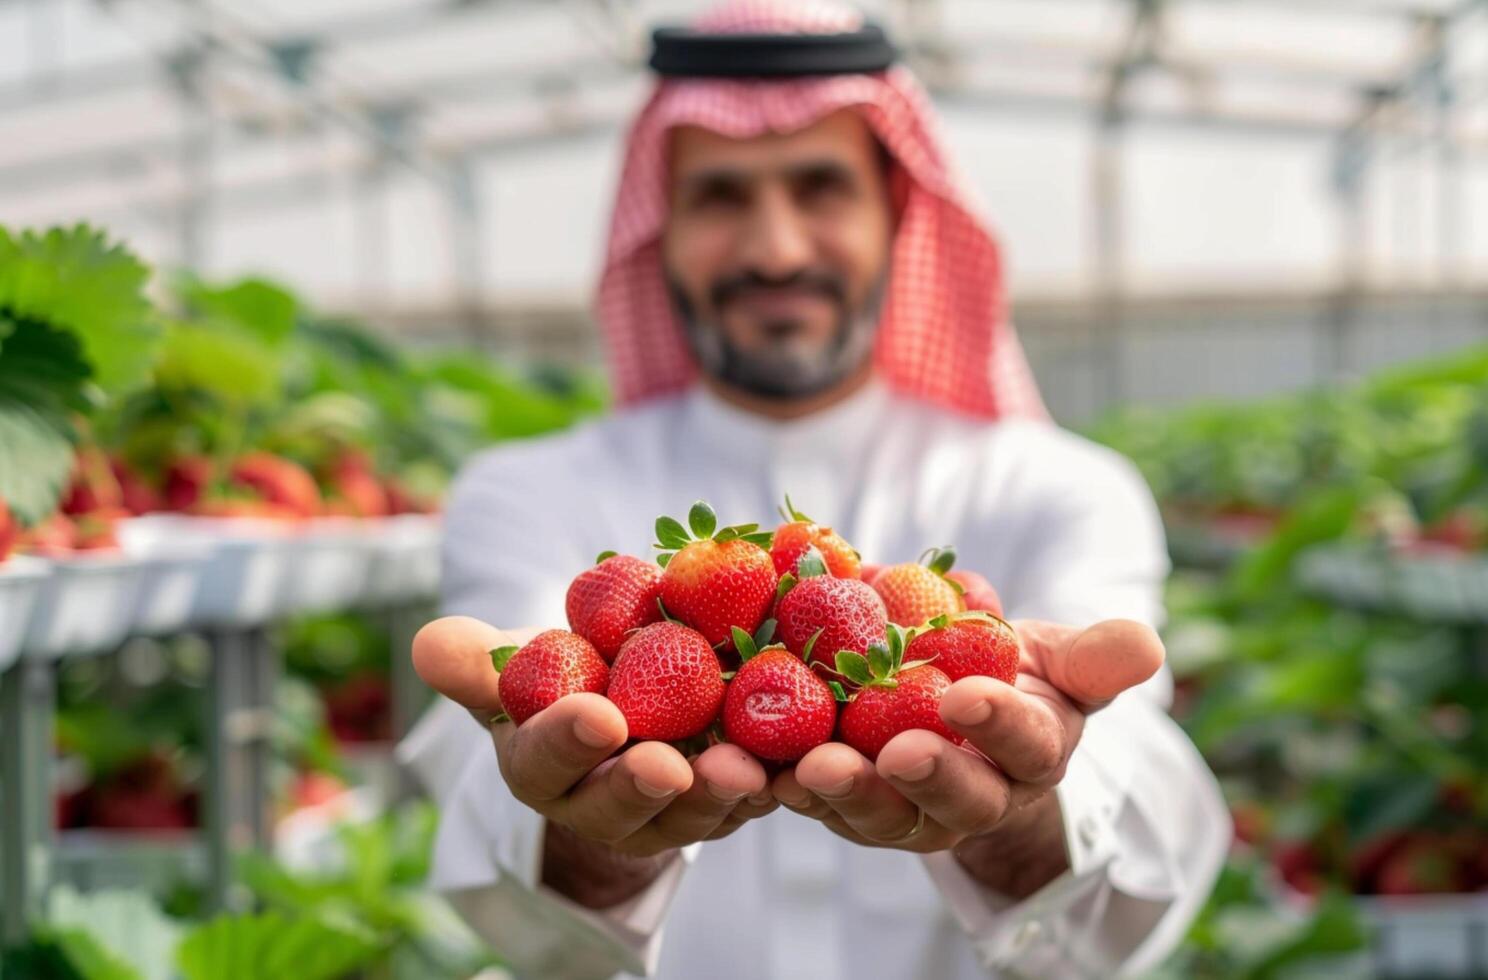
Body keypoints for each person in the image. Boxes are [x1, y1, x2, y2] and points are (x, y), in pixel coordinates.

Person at [400, 2, 1229, 977]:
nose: (776, 249)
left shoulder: (1061, 485)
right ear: (657, 228)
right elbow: (503, 848)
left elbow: (1132, 821)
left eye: (821, 186)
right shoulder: (527, 491)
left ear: (901, 213)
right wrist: (585, 823)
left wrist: (1029, 809)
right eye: (719, 197)